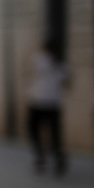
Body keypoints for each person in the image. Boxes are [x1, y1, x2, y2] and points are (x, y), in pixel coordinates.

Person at [28, 42, 69, 175]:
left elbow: (67, 82)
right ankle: (43, 155)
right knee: (35, 130)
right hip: (39, 101)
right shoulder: (40, 59)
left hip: (49, 103)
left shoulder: (61, 64)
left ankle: (56, 157)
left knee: (52, 134)